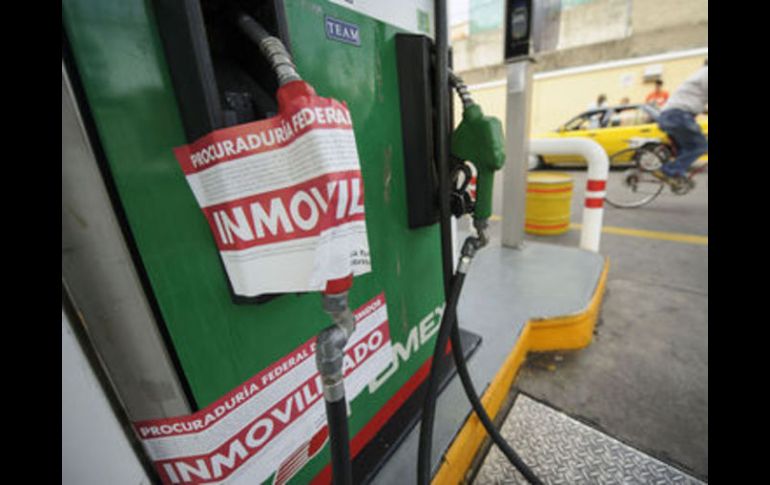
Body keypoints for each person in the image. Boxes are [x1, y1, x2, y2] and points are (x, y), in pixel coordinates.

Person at [655, 65, 708, 179]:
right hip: (678, 116)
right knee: (700, 146)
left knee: (685, 149)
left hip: (671, 115)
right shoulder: (706, 73)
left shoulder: (699, 74)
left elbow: (695, 102)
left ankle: (677, 175)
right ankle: (671, 170)